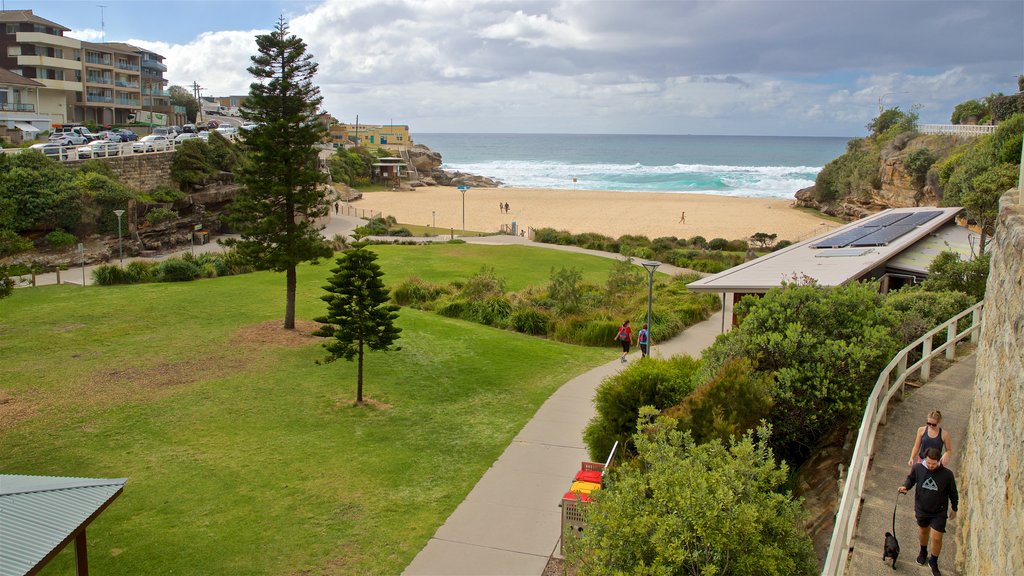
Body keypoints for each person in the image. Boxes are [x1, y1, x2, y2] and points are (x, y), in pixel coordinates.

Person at [899, 447, 958, 576]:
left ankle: (933, 561)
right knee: (923, 531)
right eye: (929, 463)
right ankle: (923, 551)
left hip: (939, 511)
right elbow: (911, 479)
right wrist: (905, 487)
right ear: (925, 459)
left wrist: (954, 507)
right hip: (922, 508)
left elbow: (953, 492)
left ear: (939, 461)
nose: (931, 466)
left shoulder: (947, 475)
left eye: (934, 464)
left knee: (936, 538)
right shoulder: (918, 468)